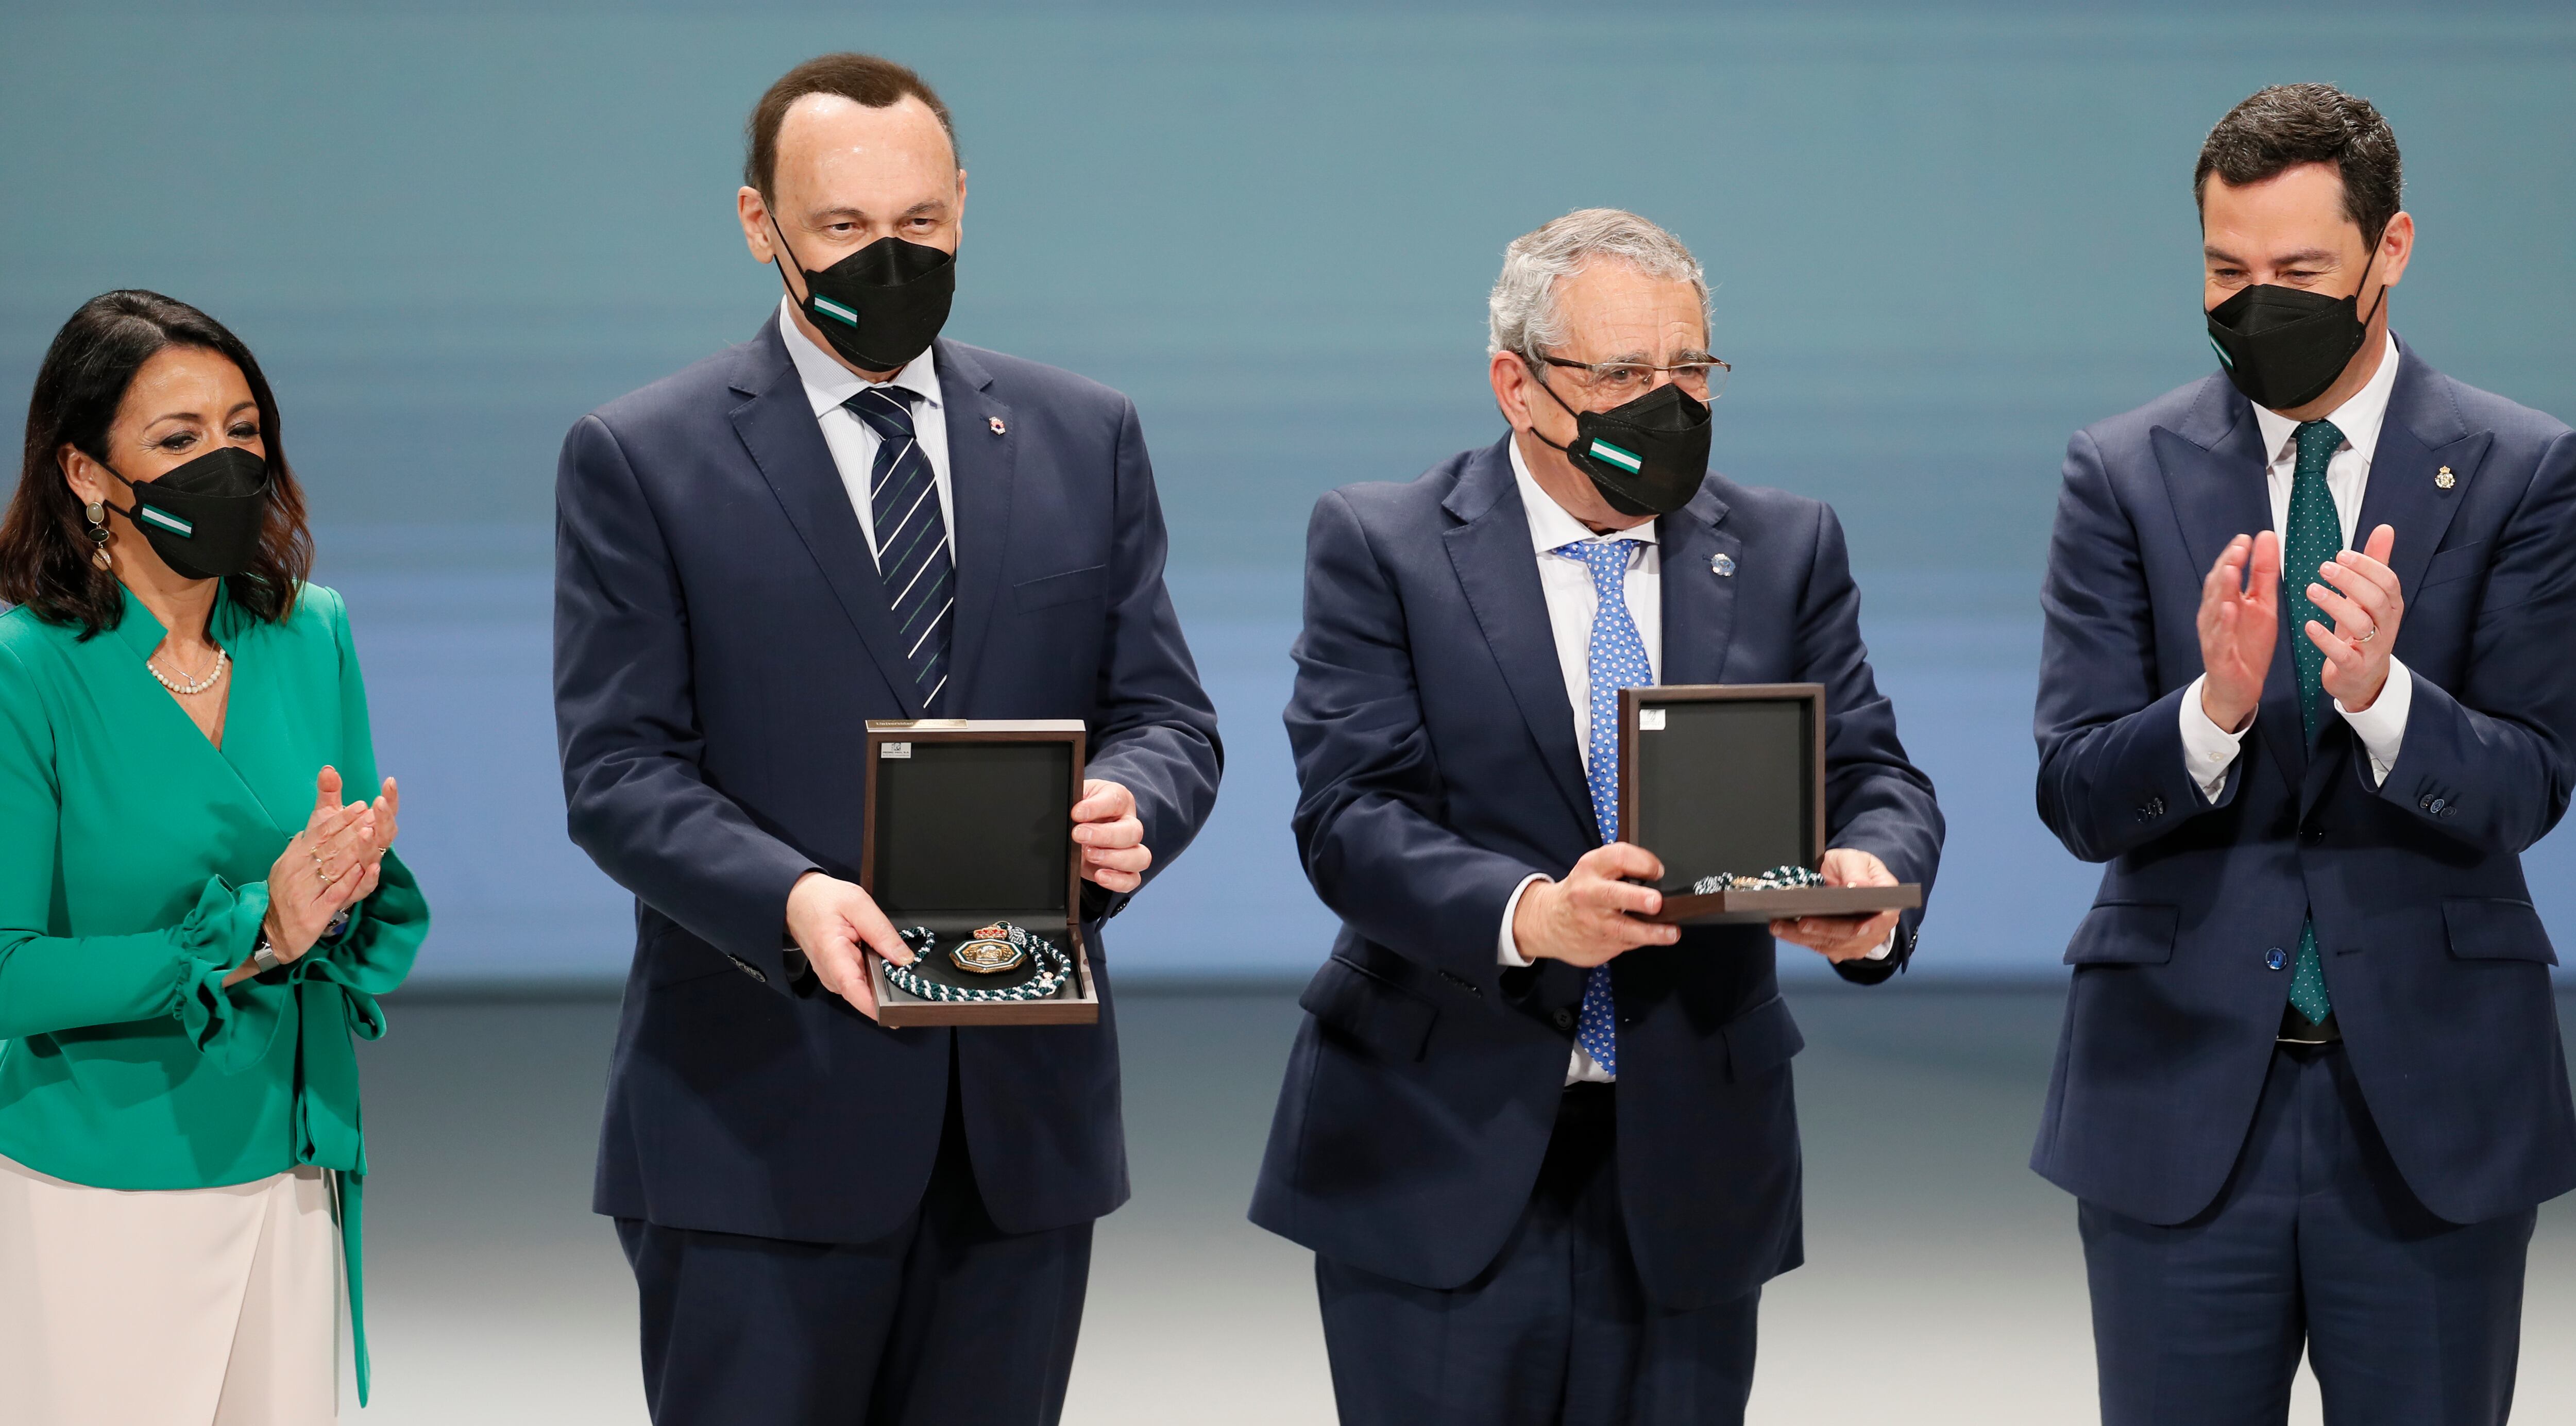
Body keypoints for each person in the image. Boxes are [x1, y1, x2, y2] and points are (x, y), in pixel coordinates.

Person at [553, 53, 1222, 1426]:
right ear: (762, 227)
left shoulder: (1083, 436)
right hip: (756, 1129)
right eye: (844, 228)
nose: (888, 257)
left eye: (918, 224)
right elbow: (618, 773)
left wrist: (1129, 797)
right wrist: (790, 897)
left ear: (964, 205)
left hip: (1017, 1137)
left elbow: (1167, 713)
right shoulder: (642, 455)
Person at [1249, 208, 1942, 1426]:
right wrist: (1532, 915)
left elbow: (1877, 772)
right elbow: (1349, 817)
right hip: (1438, 1145)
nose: (1665, 401)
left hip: (1690, 1159)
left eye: (1689, 369)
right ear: (1517, 384)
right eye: (1622, 374)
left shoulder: (1783, 546)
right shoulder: (1384, 542)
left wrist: (1867, 885)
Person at [2031, 83, 2576, 1425]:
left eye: (2297, 272)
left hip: (2430, 1118)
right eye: (2226, 271)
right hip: (2176, 1102)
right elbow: (2077, 793)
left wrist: (2386, 697)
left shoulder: (2522, 469)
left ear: (2389, 252)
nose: (2254, 301)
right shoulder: (2122, 471)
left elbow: (2531, 781)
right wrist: (2210, 710)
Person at [0, 290, 425, 1423]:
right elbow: (8, 969)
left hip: (289, 1167)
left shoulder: (310, 630)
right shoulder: (25, 668)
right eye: (179, 441)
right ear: (88, 475)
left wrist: (340, 895)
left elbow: (347, 902)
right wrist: (254, 931)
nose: (226, 462)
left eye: (243, 432)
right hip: (98, 1179)